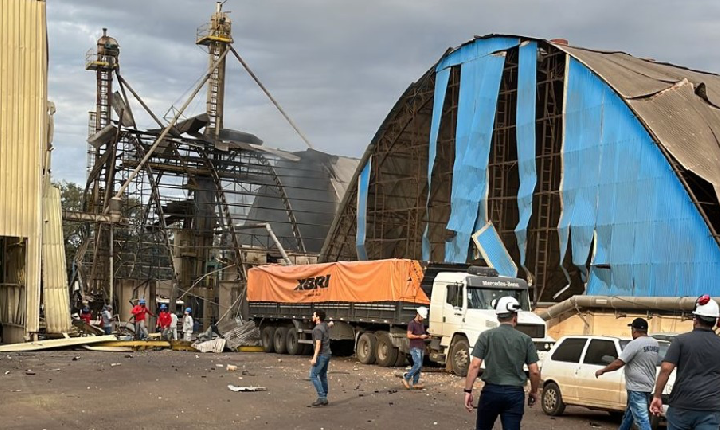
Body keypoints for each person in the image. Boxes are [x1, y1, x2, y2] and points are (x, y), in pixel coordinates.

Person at [463, 296, 541, 430]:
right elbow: (534, 370)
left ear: (498, 316)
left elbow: (475, 365)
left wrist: (468, 391)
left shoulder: (486, 336)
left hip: (491, 392)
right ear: (514, 317)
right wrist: (534, 391)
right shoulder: (526, 340)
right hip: (515, 394)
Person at [650, 295, 720, 429]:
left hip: (682, 406)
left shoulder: (681, 341)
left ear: (695, 319)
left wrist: (657, 396)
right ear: (716, 322)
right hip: (711, 408)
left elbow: (666, 369)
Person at [595, 317, 659, 430]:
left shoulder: (635, 344)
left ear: (634, 330)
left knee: (642, 419)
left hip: (636, 387)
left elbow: (619, 363)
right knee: (629, 416)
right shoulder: (654, 343)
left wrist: (603, 370)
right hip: (648, 385)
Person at [309, 309, 331, 407]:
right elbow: (330, 324)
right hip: (328, 354)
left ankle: (322, 397)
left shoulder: (317, 329)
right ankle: (324, 396)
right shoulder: (324, 325)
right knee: (323, 375)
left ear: (318, 317)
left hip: (321, 355)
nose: (312, 316)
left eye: (314, 315)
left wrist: (314, 358)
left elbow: (318, 345)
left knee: (313, 375)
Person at [403, 306, 429, 389]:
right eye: (422, 317)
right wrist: (419, 337)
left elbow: (421, 335)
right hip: (414, 347)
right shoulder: (412, 323)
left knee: (419, 366)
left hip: (421, 347)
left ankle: (415, 383)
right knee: (418, 364)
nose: (423, 319)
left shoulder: (421, 324)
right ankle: (406, 377)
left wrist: (426, 336)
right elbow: (409, 335)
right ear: (418, 314)